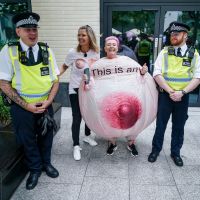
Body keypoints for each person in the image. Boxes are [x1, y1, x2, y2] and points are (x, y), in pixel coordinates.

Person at [0, 12, 60, 190]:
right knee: (27, 139)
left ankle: (46, 164)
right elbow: (3, 83)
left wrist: (49, 102)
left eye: (34, 29)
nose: (32, 33)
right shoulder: (8, 51)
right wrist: (27, 106)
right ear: (18, 31)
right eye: (27, 29)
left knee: (46, 136)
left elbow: (55, 81)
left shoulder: (46, 50)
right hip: (22, 106)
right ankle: (34, 169)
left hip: (45, 104)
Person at [148, 21, 200, 167]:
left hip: (183, 97)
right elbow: (157, 73)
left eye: (176, 34)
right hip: (166, 95)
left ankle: (175, 153)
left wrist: (182, 92)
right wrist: (171, 91)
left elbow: (198, 76)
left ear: (185, 35)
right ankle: (155, 150)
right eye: (172, 34)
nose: (173, 36)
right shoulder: (164, 52)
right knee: (160, 125)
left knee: (179, 126)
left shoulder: (194, 54)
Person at [101, 36, 148, 156]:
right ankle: (112, 142)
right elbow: (93, 80)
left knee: (132, 119)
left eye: (114, 44)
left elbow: (137, 75)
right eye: (109, 44)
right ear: (105, 48)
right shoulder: (100, 63)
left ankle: (131, 143)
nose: (111, 46)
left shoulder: (126, 61)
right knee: (110, 120)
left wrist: (142, 72)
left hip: (126, 97)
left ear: (117, 48)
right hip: (109, 98)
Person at [59, 25, 99, 161]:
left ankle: (87, 136)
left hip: (89, 89)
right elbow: (64, 66)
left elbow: (98, 71)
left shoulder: (96, 53)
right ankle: (76, 145)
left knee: (88, 114)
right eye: (79, 35)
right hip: (75, 89)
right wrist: (55, 77)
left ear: (90, 37)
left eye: (83, 35)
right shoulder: (72, 52)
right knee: (77, 117)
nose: (80, 37)